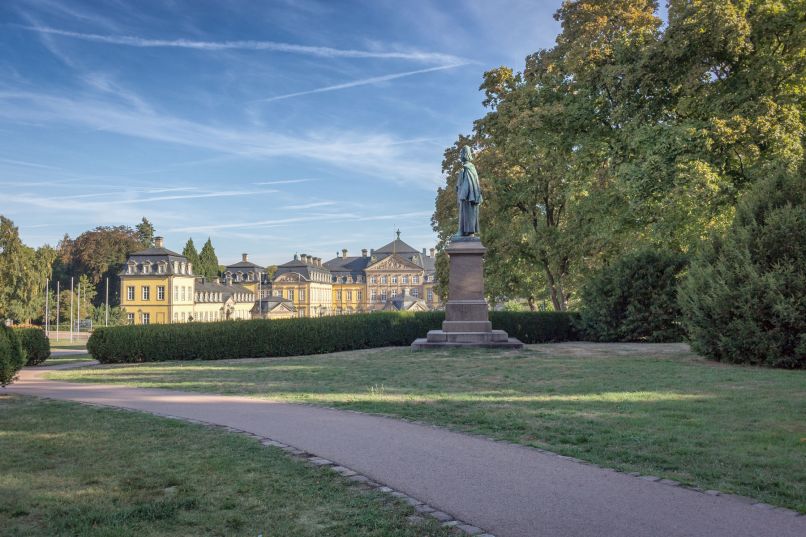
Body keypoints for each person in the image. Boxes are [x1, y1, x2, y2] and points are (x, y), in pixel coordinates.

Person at [456, 145, 482, 237]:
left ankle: (466, 232)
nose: (460, 156)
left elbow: (469, 182)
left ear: (465, 154)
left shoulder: (468, 167)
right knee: (465, 214)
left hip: (468, 197)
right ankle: (464, 231)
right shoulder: (465, 168)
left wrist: (462, 194)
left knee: (468, 214)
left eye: (461, 153)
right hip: (467, 196)